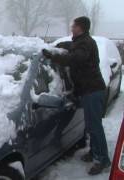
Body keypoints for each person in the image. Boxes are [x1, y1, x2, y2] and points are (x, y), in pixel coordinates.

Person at [42, 16, 111, 175]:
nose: (72, 27)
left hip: (92, 91)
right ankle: (94, 152)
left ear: (81, 28)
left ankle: (102, 159)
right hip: (88, 90)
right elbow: (71, 46)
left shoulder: (86, 43)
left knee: (95, 126)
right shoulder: (81, 41)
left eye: (74, 25)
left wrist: (53, 56)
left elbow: (74, 58)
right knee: (91, 125)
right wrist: (55, 46)